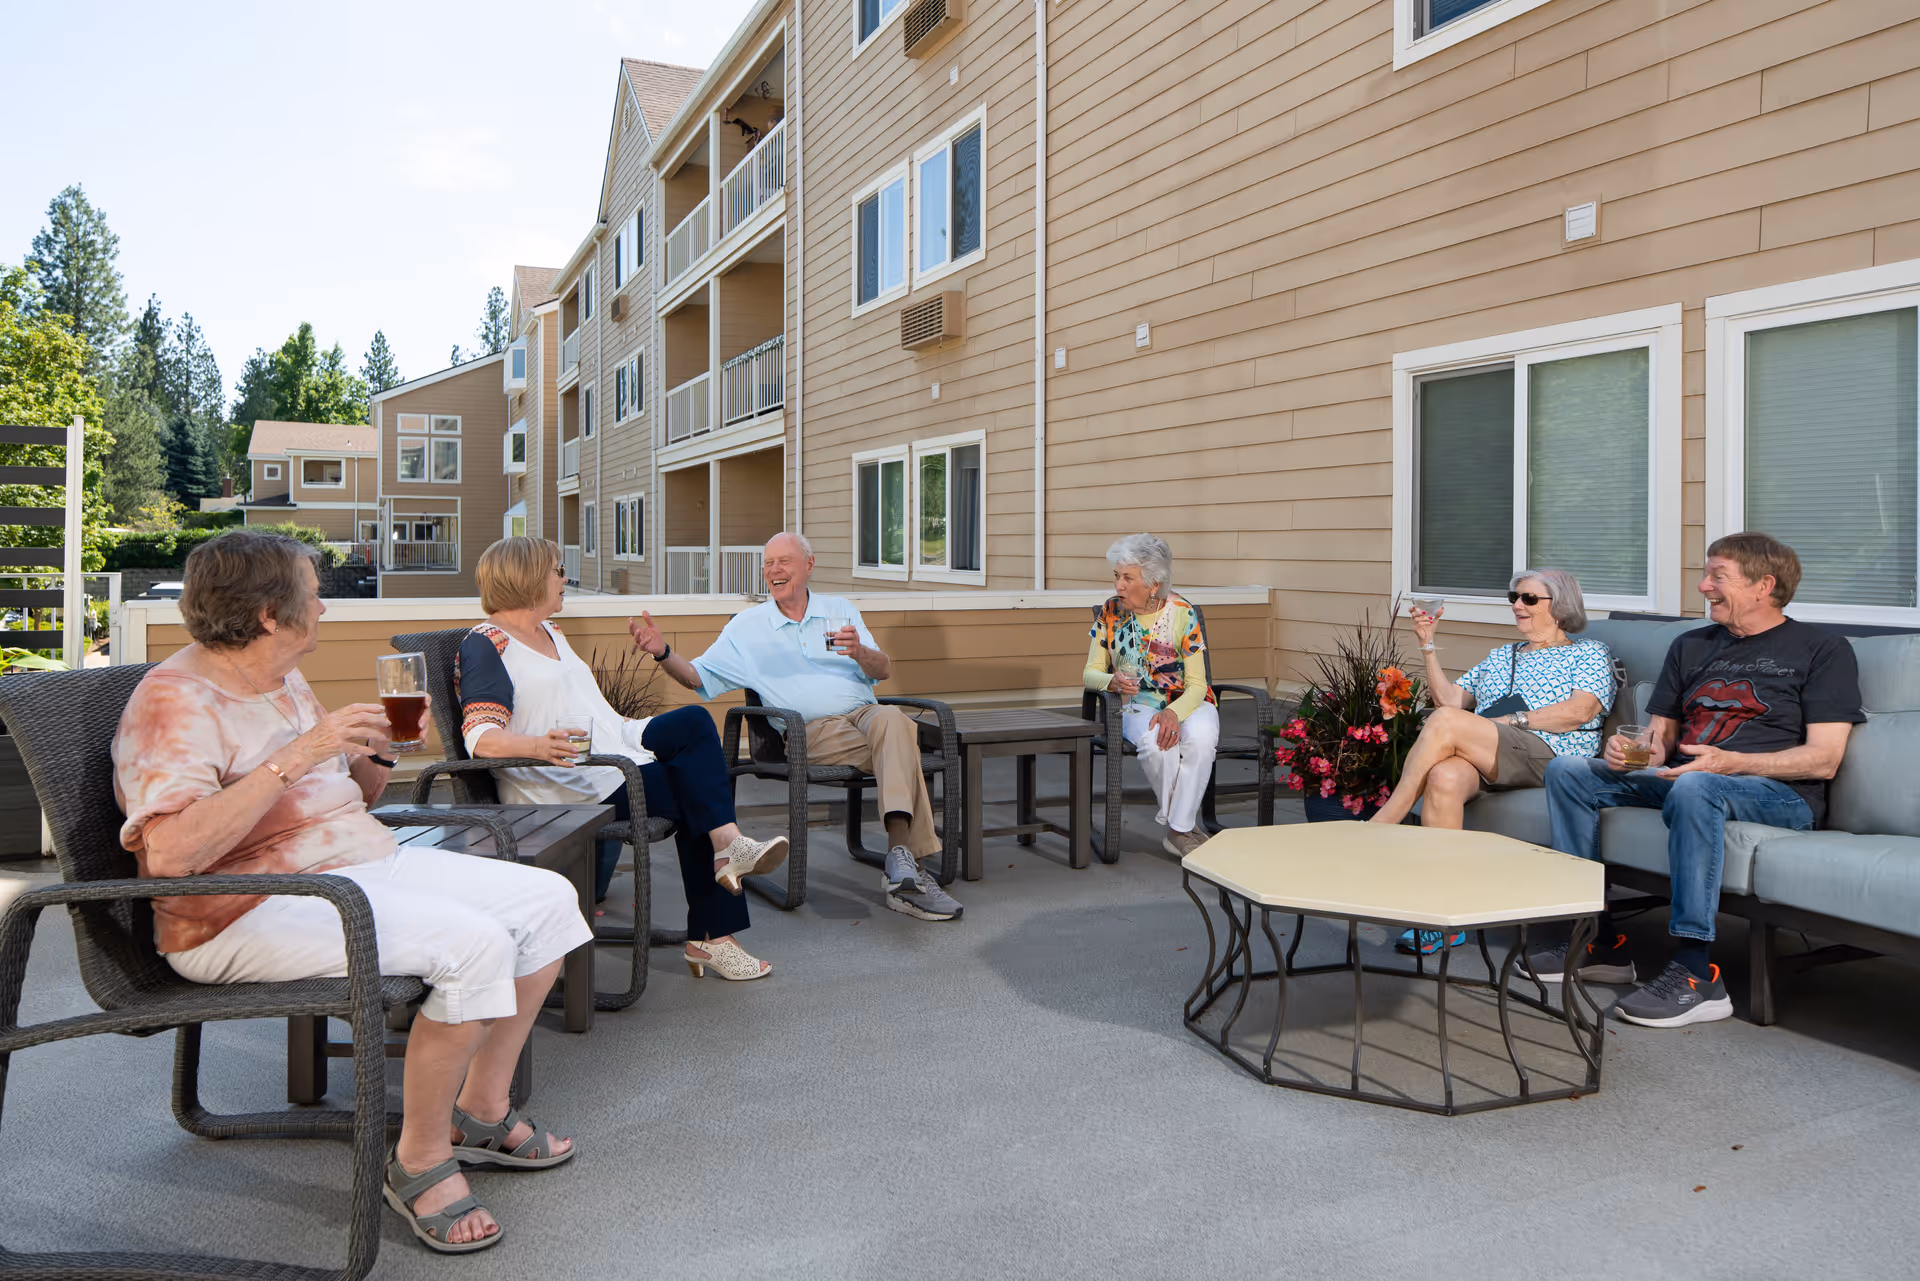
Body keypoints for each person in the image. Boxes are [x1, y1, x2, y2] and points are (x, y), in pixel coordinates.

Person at [114, 529, 587, 1255]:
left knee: (548, 901)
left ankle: (482, 1108)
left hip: (352, 865)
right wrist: (299, 753)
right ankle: (419, 1157)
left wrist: (375, 753)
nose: (326, 609)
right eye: (315, 591)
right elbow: (172, 853)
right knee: (475, 944)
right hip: (242, 907)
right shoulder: (174, 701)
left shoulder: (280, 675)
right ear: (272, 611)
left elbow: (347, 799)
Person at [1533, 532, 1861, 1028]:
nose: (1705, 586)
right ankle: (1598, 939)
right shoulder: (1690, 646)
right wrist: (1633, 752)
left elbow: (1823, 759)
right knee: (1569, 772)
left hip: (1780, 795)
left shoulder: (1822, 649)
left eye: (1718, 576)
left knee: (1696, 785)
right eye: (1705, 574)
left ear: (1763, 586)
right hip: (1689, 775)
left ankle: (1696, 972)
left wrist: (1729, 763)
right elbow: (1659, 737)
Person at [456, 536, 788, 981]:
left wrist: (631, 730)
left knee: (694, 723)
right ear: (529, 576)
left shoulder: (551, 633)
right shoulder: (486, 643)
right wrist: (539, 746)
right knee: (696, 794)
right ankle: (715, 931)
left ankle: (726, 856)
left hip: (614, 753)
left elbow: (597, 715)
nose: (564, 578)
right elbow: (481, 737)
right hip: (572, 784)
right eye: (557, 570)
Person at [627, 531, 965, 922]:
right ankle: (905, 866)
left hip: (867, 717)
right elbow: (696, 677)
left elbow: (883, 670)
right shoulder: (747, 628)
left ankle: (899, 864)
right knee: (903, 739)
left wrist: (859, 651)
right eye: (768, 564)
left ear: (809, 565)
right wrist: (663, 653)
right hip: (810, 732)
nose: (774, 570)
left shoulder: (840, 610)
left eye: (783, 561)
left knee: (893, 721)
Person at [1369, 569, 1616, 955]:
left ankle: (1385, 820)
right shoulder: (1501, 656)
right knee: (1444, 776)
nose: (1518, 605)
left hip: (1549, 755)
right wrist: (1428, 644)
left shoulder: (1587, 653)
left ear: (1561, 606)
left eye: (1529, 599)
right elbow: (1450, 703)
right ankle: (1443, 917)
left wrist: (1510, 721)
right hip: (1495, 753)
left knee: (1450, 726)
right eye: (1514, 597)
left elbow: (1579, 712)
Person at [1083, 533, 1220, 859]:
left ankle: (1178, 828)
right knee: (1158, 744)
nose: (1118, 585)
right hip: (1136, 703)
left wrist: (1175, 712)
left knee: (1201, 739)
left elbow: (1198, 684)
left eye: (1128, 578)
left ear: (1154, 583)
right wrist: (1111, 682)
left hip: (1188, 700)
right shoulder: (1111, 613)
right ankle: (1183, 829)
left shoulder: (1183, 613)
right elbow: (1090, 673)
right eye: (1117, 576)